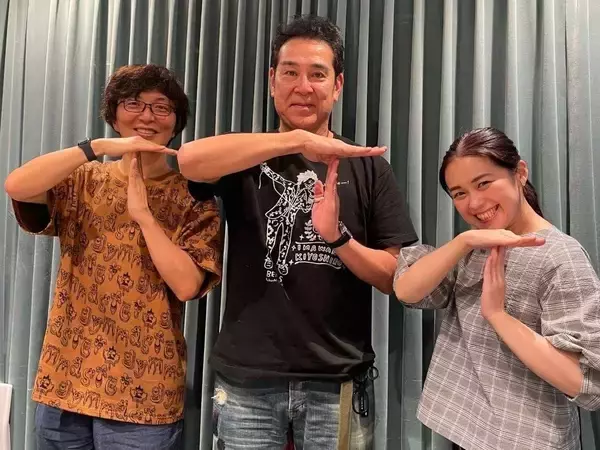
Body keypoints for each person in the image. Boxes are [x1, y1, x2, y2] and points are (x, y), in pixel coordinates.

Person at [177, 15, 417, 450]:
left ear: (337, 85)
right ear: (272, 81)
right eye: (290, 73)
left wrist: (338, 238)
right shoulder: (243, 157)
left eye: (317, 74)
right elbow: (188, 160)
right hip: (247, 381)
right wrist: (296, 142)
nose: (303, 86)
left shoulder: (367, 166)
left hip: (337, 380)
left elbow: (393, 276)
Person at [4, 64, 222, 449]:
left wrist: (144, 216)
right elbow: (17, 185)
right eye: (133, 104)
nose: (147, 117)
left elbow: (188, 286)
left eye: (161, 107)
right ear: (114, 115)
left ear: (176, 122)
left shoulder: (193, 198)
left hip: (144, 395)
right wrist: (97, 148)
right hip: (65, 382)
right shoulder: (84, 178)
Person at [394, 127, 600, 450]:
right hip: (467, 432)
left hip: (526, 439)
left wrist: (498, 316)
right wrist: (464, 241)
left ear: (520, 173)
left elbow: (586, 384)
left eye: (484, 183)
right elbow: (406, 290)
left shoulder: (560, 256)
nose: (475, 203)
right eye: (459, 193)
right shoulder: (475, 245)